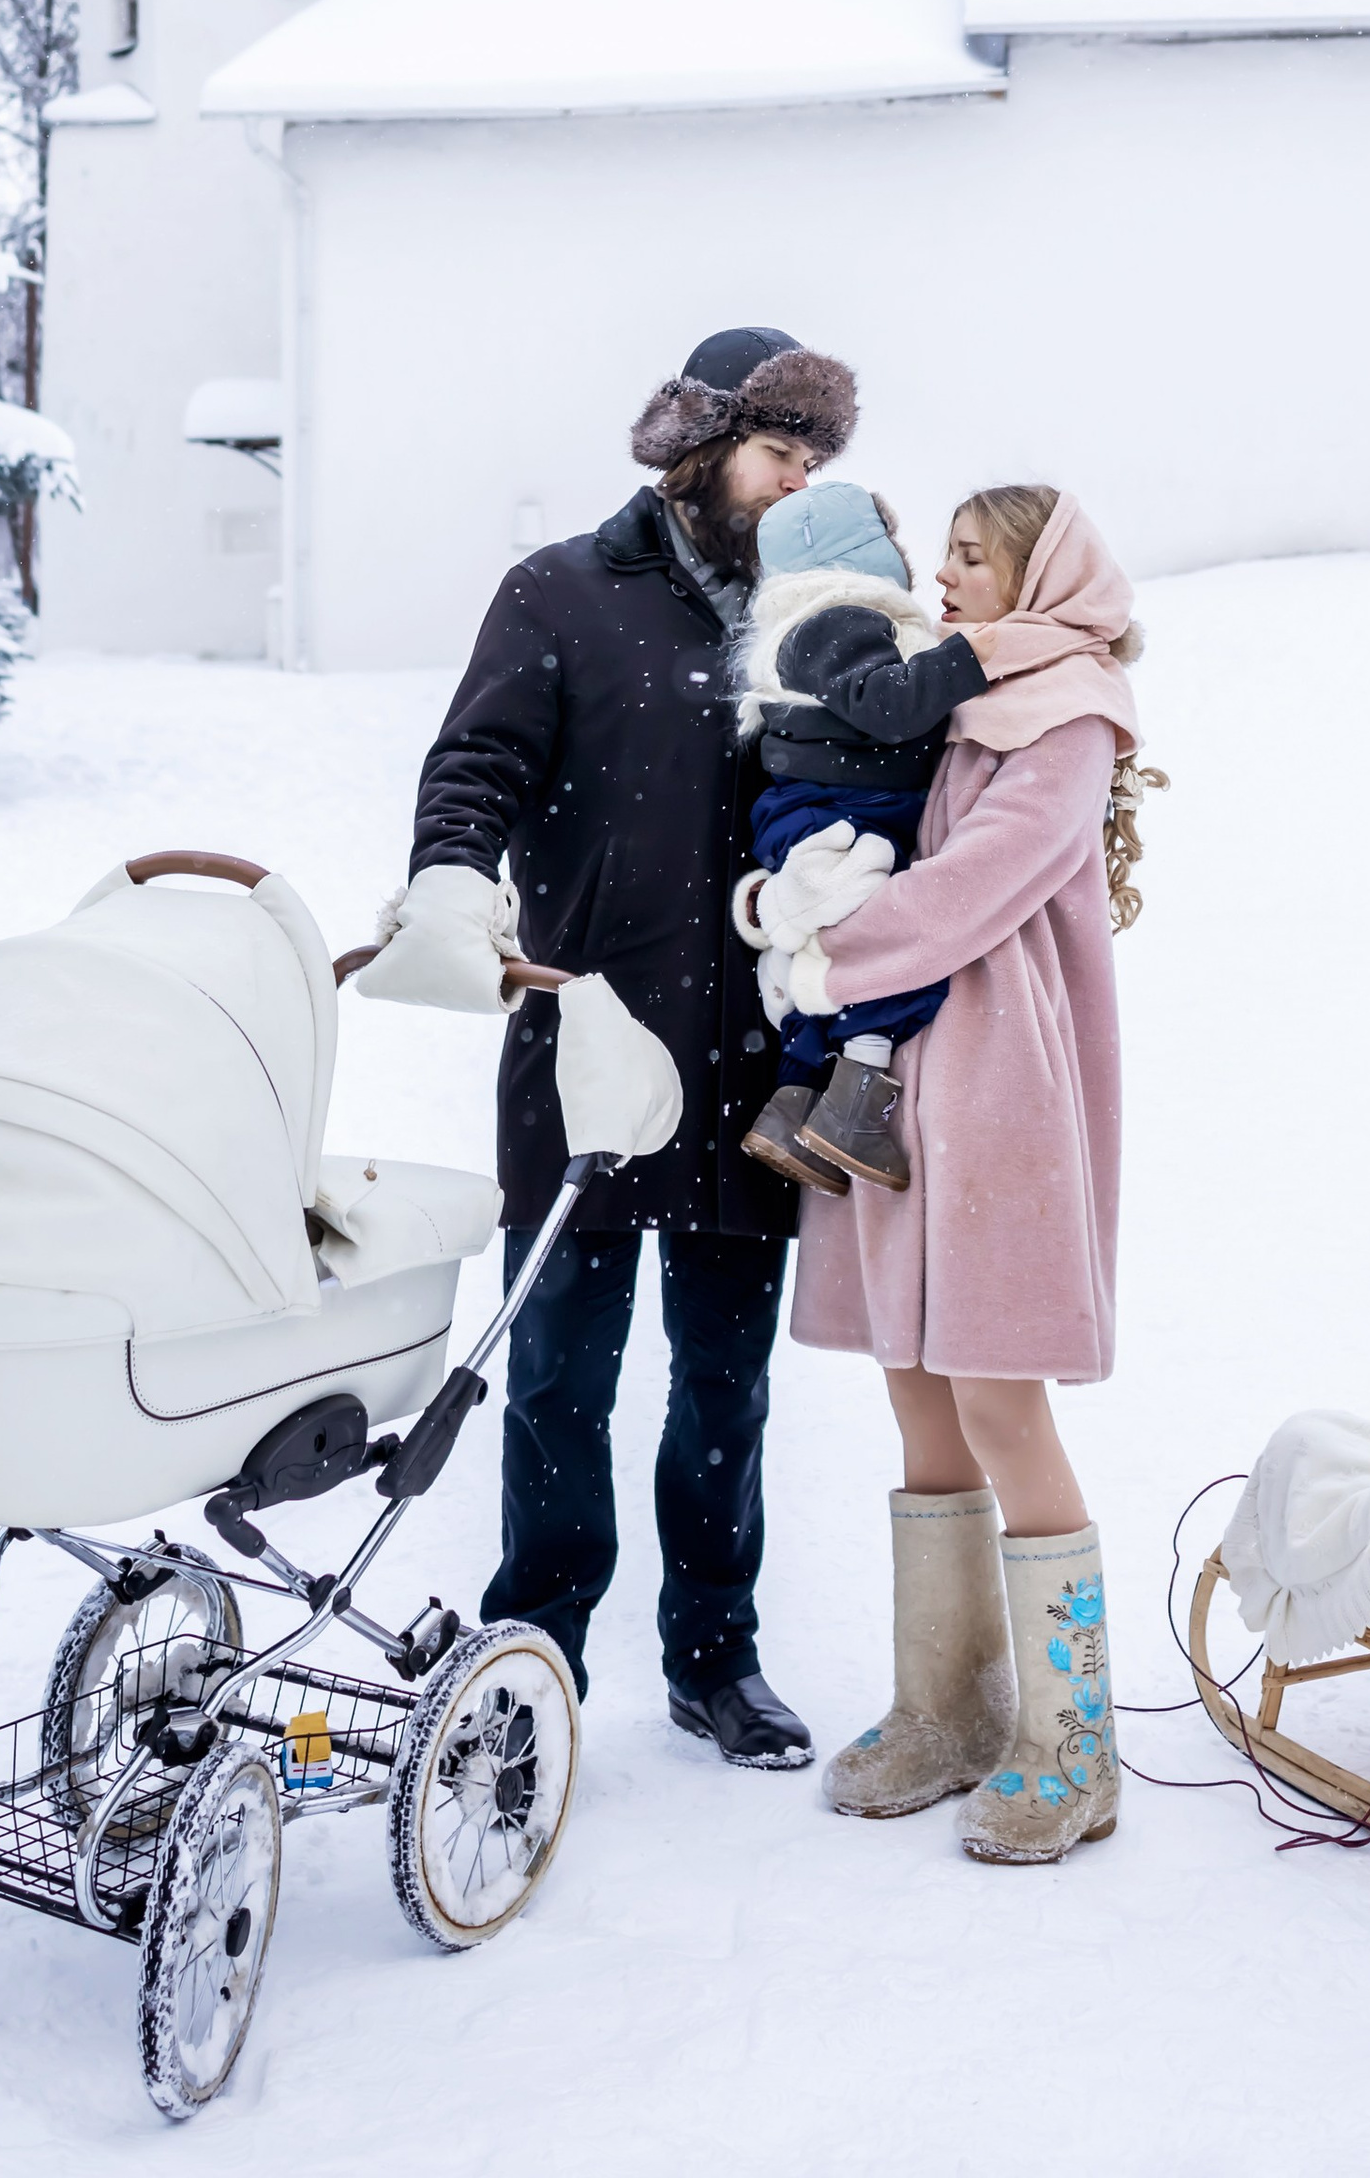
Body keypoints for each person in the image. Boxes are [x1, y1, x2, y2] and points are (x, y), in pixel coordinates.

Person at [358, 323, 858, 1769]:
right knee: (561, 1380)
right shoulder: (565, 595)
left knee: (724, 1383)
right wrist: (454, 876)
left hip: (754, 1067)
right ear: (700, 446)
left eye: (820, 458)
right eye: (782, 451)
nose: (801, 481)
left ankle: (716, 1659)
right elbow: (475, 767)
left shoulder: (817, 620)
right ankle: (535, 1658)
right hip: (584, 1043)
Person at [775, 483, 1144, 1865]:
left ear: (1043, 571)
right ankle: (946, 1708)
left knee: (999, 1395)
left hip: (998, 1097)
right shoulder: (954, 700)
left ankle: (1073, 1743)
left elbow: (979, 882)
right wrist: (783, 892)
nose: (944, 578)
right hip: (899, 1093)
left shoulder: (1070, 712)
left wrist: (826, 952)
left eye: (973, 557)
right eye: (942, 554)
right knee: (918, 1391)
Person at [729, 481, 989, 1194]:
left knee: (825, 957)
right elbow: (889, 707)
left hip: (833, 808)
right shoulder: (836, 619)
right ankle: (855, 1107)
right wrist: (975, 658)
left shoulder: (820, 624)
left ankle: (793, 1104)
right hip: (845, 813)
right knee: (892, 951)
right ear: (857, 552)